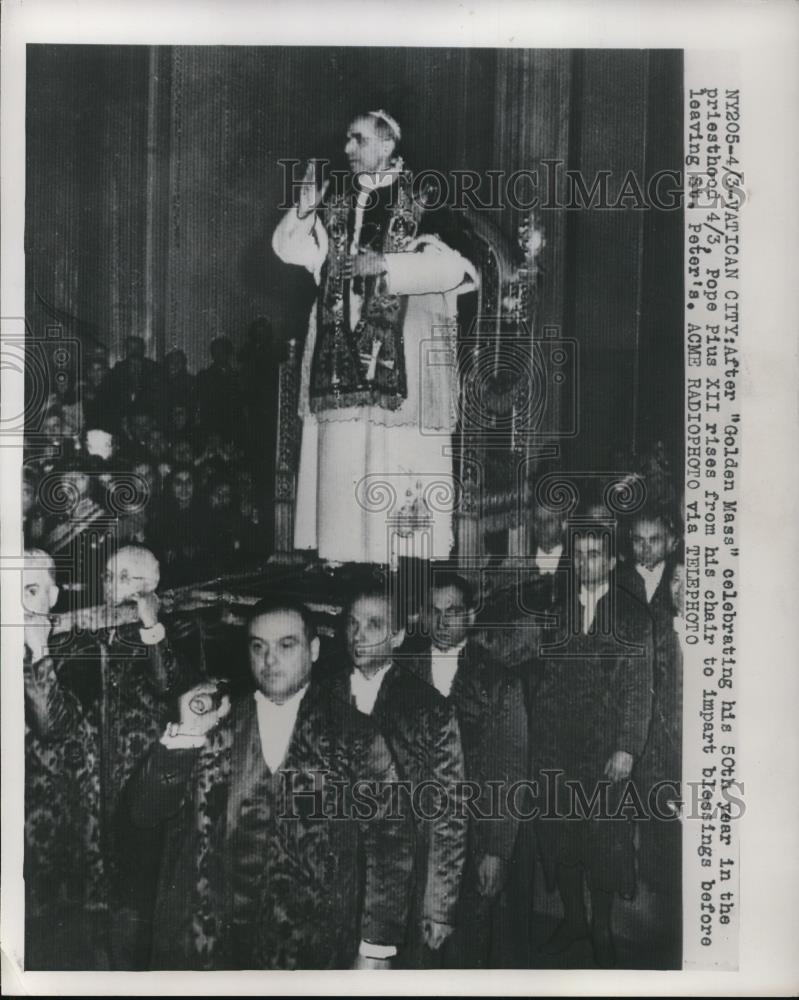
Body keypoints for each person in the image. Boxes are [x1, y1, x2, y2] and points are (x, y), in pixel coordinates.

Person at [127, 598, 414, 970]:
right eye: (258, 646)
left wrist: (376, 948)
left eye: (286, 645)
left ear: (313, 650)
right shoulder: (215, 722)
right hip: (215, 946)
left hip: (315, 948)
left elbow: (389, 838)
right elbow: (145, 811)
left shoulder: (356, 734)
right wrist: (184, 739)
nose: (269, 659)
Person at [272, 109, 478, 564]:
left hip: (402, 350)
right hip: (340, 350)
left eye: (357, 139)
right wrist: (305, 210)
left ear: (387, 145)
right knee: (343, 464)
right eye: (347, 140)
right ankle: (340, 560)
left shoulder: (426, 196)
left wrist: (385, 265)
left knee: (395, 466)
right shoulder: (338, 199)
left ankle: (398, 563)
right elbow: (293, 252)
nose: (346, 149)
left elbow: (457, 269)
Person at [47, 543, 201, 968]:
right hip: (96, 782)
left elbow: (172, 683)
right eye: (108, 577)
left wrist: (153, 626)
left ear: (149, 587)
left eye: (123, 578)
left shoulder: (179, 625)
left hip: (147, 785)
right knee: (99, 893)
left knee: (142, 891)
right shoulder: (90, 628)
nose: (110, 586)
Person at [322, 577, 467, 967]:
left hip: (404, 878)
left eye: (373, 625)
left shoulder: (429, 708)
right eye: (352, 623)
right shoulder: (322, 695)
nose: (358, 635)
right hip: (334, 874)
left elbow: (448, 811)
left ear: (399, 635)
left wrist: (439, 905)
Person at [530, 523, 653, 968]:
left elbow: (640, 688)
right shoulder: (556, 612)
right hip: (557, 747)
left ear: (613, 560)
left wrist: (627, 747)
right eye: (579, 554)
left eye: (595, 554)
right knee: (561, 835)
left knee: (604, 842)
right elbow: (540, 679)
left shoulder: (634, 616)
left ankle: (601, 927)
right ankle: (573, 919)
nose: (586, 563)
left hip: (606, 751)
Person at [413, 572, 528, 968]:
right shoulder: (401, 671)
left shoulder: (499, 678)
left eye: (453, 612)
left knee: (467, 946)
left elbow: (510, 769)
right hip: (412, 836)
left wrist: (497, 850)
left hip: (474, 835)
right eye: (434, 611)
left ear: (472, 615)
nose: (442, 622)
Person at [22, 550, 106, 969]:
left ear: (52, 596)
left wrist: (39, 654)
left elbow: (51, 724)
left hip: (58, 830)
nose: (19, 604)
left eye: (32, 591)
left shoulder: (79, 647)